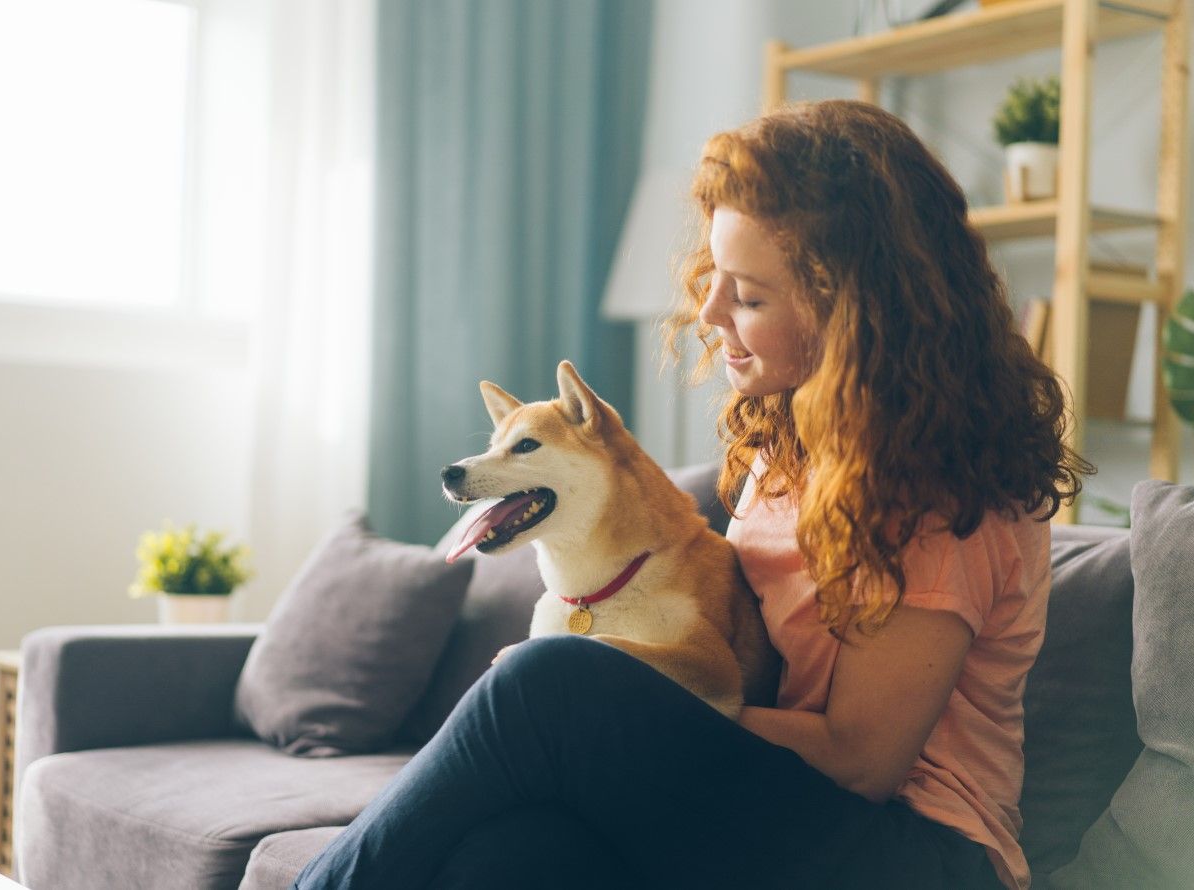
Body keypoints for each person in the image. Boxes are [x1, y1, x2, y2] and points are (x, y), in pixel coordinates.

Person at [291, 99, 1090, 890]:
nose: (708, 313)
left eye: (748, 296)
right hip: (774, 804)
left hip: (917, 852)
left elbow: (859, 762)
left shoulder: (945, 493)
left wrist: (614, 695)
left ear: (855, 315)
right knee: (508, 855)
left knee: (548, 684)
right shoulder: (785, 462)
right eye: (715, 279)